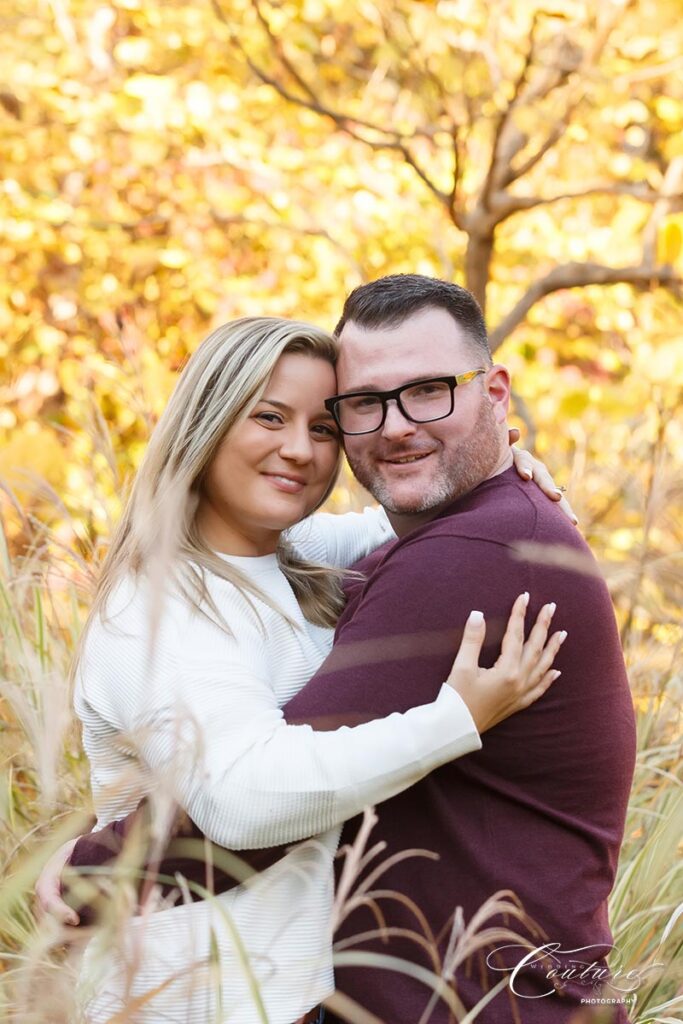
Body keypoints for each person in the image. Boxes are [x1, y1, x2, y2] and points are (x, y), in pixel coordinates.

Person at [37, 314, 567, 1024]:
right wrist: (452, 722)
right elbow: (243, 799)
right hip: (182, 1002)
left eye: (324, 429)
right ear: (208, 419)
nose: (299, 450)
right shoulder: (156, 605)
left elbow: (424, 517)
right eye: (268, 417)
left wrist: (502, 467)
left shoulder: (288, 554)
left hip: (293, 1000)